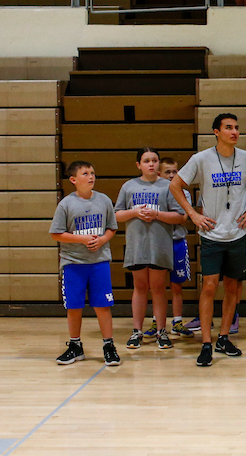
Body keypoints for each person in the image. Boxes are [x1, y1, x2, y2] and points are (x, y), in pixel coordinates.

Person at [170, 113, 246, 367]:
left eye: (236, 127)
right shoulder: (201, 159)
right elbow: (175, 185)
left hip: (236, 233)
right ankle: (206, 343)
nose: (234, 132)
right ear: (216, 132)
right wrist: (192, 214)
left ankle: (223, 337)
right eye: (228, 128)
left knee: (233, 288)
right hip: (211, 234)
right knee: (210, 286)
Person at [50, 160, 119, 367]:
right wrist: (82, 239)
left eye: (92, 173)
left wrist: (102, 240)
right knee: (74, 306)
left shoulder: (104, 200)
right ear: (73, 180)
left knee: (103, 306)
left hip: (99, 263)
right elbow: (56, 234)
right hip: (73, 263)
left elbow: (111, 228)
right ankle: (75, 346)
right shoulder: (66, 204)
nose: (91, 177)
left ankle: (109, 346)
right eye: (85, 173)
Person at [116, 148, 186, 351]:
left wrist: (157, 214)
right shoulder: (128, 186)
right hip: (137, 245)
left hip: (160, 246)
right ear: (138, 164)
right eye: (146, 161)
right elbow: (117, 215)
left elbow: (180, 216)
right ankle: (136, 331)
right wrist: (135, 212)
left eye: (154, 160)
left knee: (157, 287)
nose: (151, 164)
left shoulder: (169, 186)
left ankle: (161, 331)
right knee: (139, 287)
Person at [151, 157, 192, 339]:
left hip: (176, 241)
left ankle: (177, 321)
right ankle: (156, 321)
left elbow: (182, 218)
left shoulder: (184, 193)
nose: (172, 175)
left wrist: (158, 215)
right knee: (156, 286)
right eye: (167, 172)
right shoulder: (154, 192)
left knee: (177, 286)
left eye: (175, 172)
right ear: (159, 174)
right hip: (158, 244)